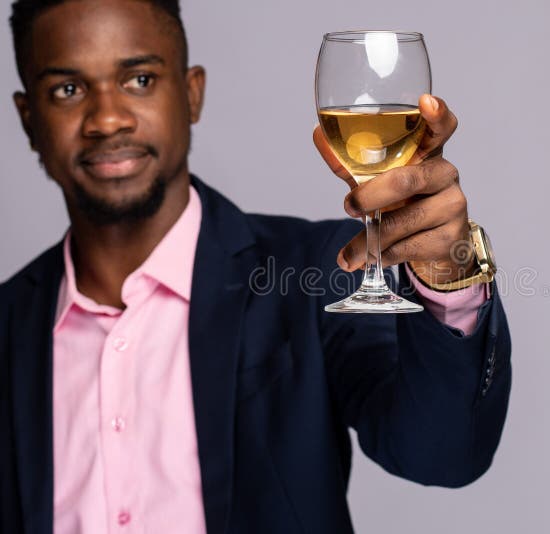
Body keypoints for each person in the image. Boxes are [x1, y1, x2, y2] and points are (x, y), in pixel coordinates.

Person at [0, 0, 511, 532]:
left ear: (192, 93)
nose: (107, 119)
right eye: (68, 89)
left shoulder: (315, 274)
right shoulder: (8, 324)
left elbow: (443, 455)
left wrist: (446, 274)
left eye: (140, 80)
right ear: (28, 118)